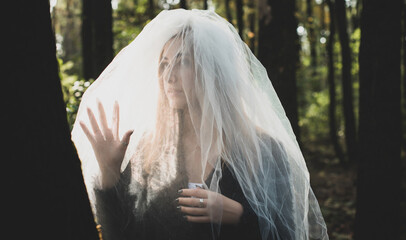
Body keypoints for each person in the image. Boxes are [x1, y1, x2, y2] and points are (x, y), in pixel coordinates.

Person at [72, 9, 328, 240]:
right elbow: (123, 235)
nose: (169, 76)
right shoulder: (151, 155)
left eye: (183, 61)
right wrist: (109, 174)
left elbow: (287, 234)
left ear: (214, 71)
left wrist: (240, 215)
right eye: (163, 65)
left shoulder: (264, 150)